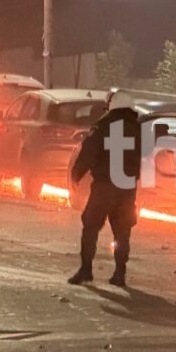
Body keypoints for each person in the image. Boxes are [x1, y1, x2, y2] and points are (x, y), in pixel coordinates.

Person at [66, 90, 141, 287]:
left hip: (105, 187)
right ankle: (120, 273)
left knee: (90, 225)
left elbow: (89, 151)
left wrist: (76, 174)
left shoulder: (103, 125)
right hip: (127, 188)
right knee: (123, 230)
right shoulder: (138, 128)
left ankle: (86, 270)